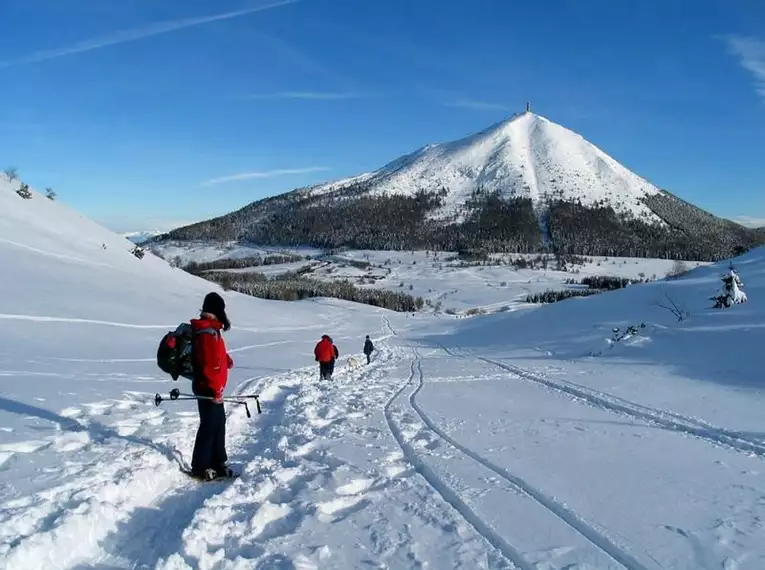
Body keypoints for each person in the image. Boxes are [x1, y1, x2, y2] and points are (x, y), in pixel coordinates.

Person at [190, 292, 234, 481]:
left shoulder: (211, 330)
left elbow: (216, 356)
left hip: (213, 387)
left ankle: (218, 461)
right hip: (207, 387)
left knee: (218, 424)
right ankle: (201, 466)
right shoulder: (207, 332)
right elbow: (209, 365)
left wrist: (227, 360)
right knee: (209, 426)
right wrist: (215, 390)